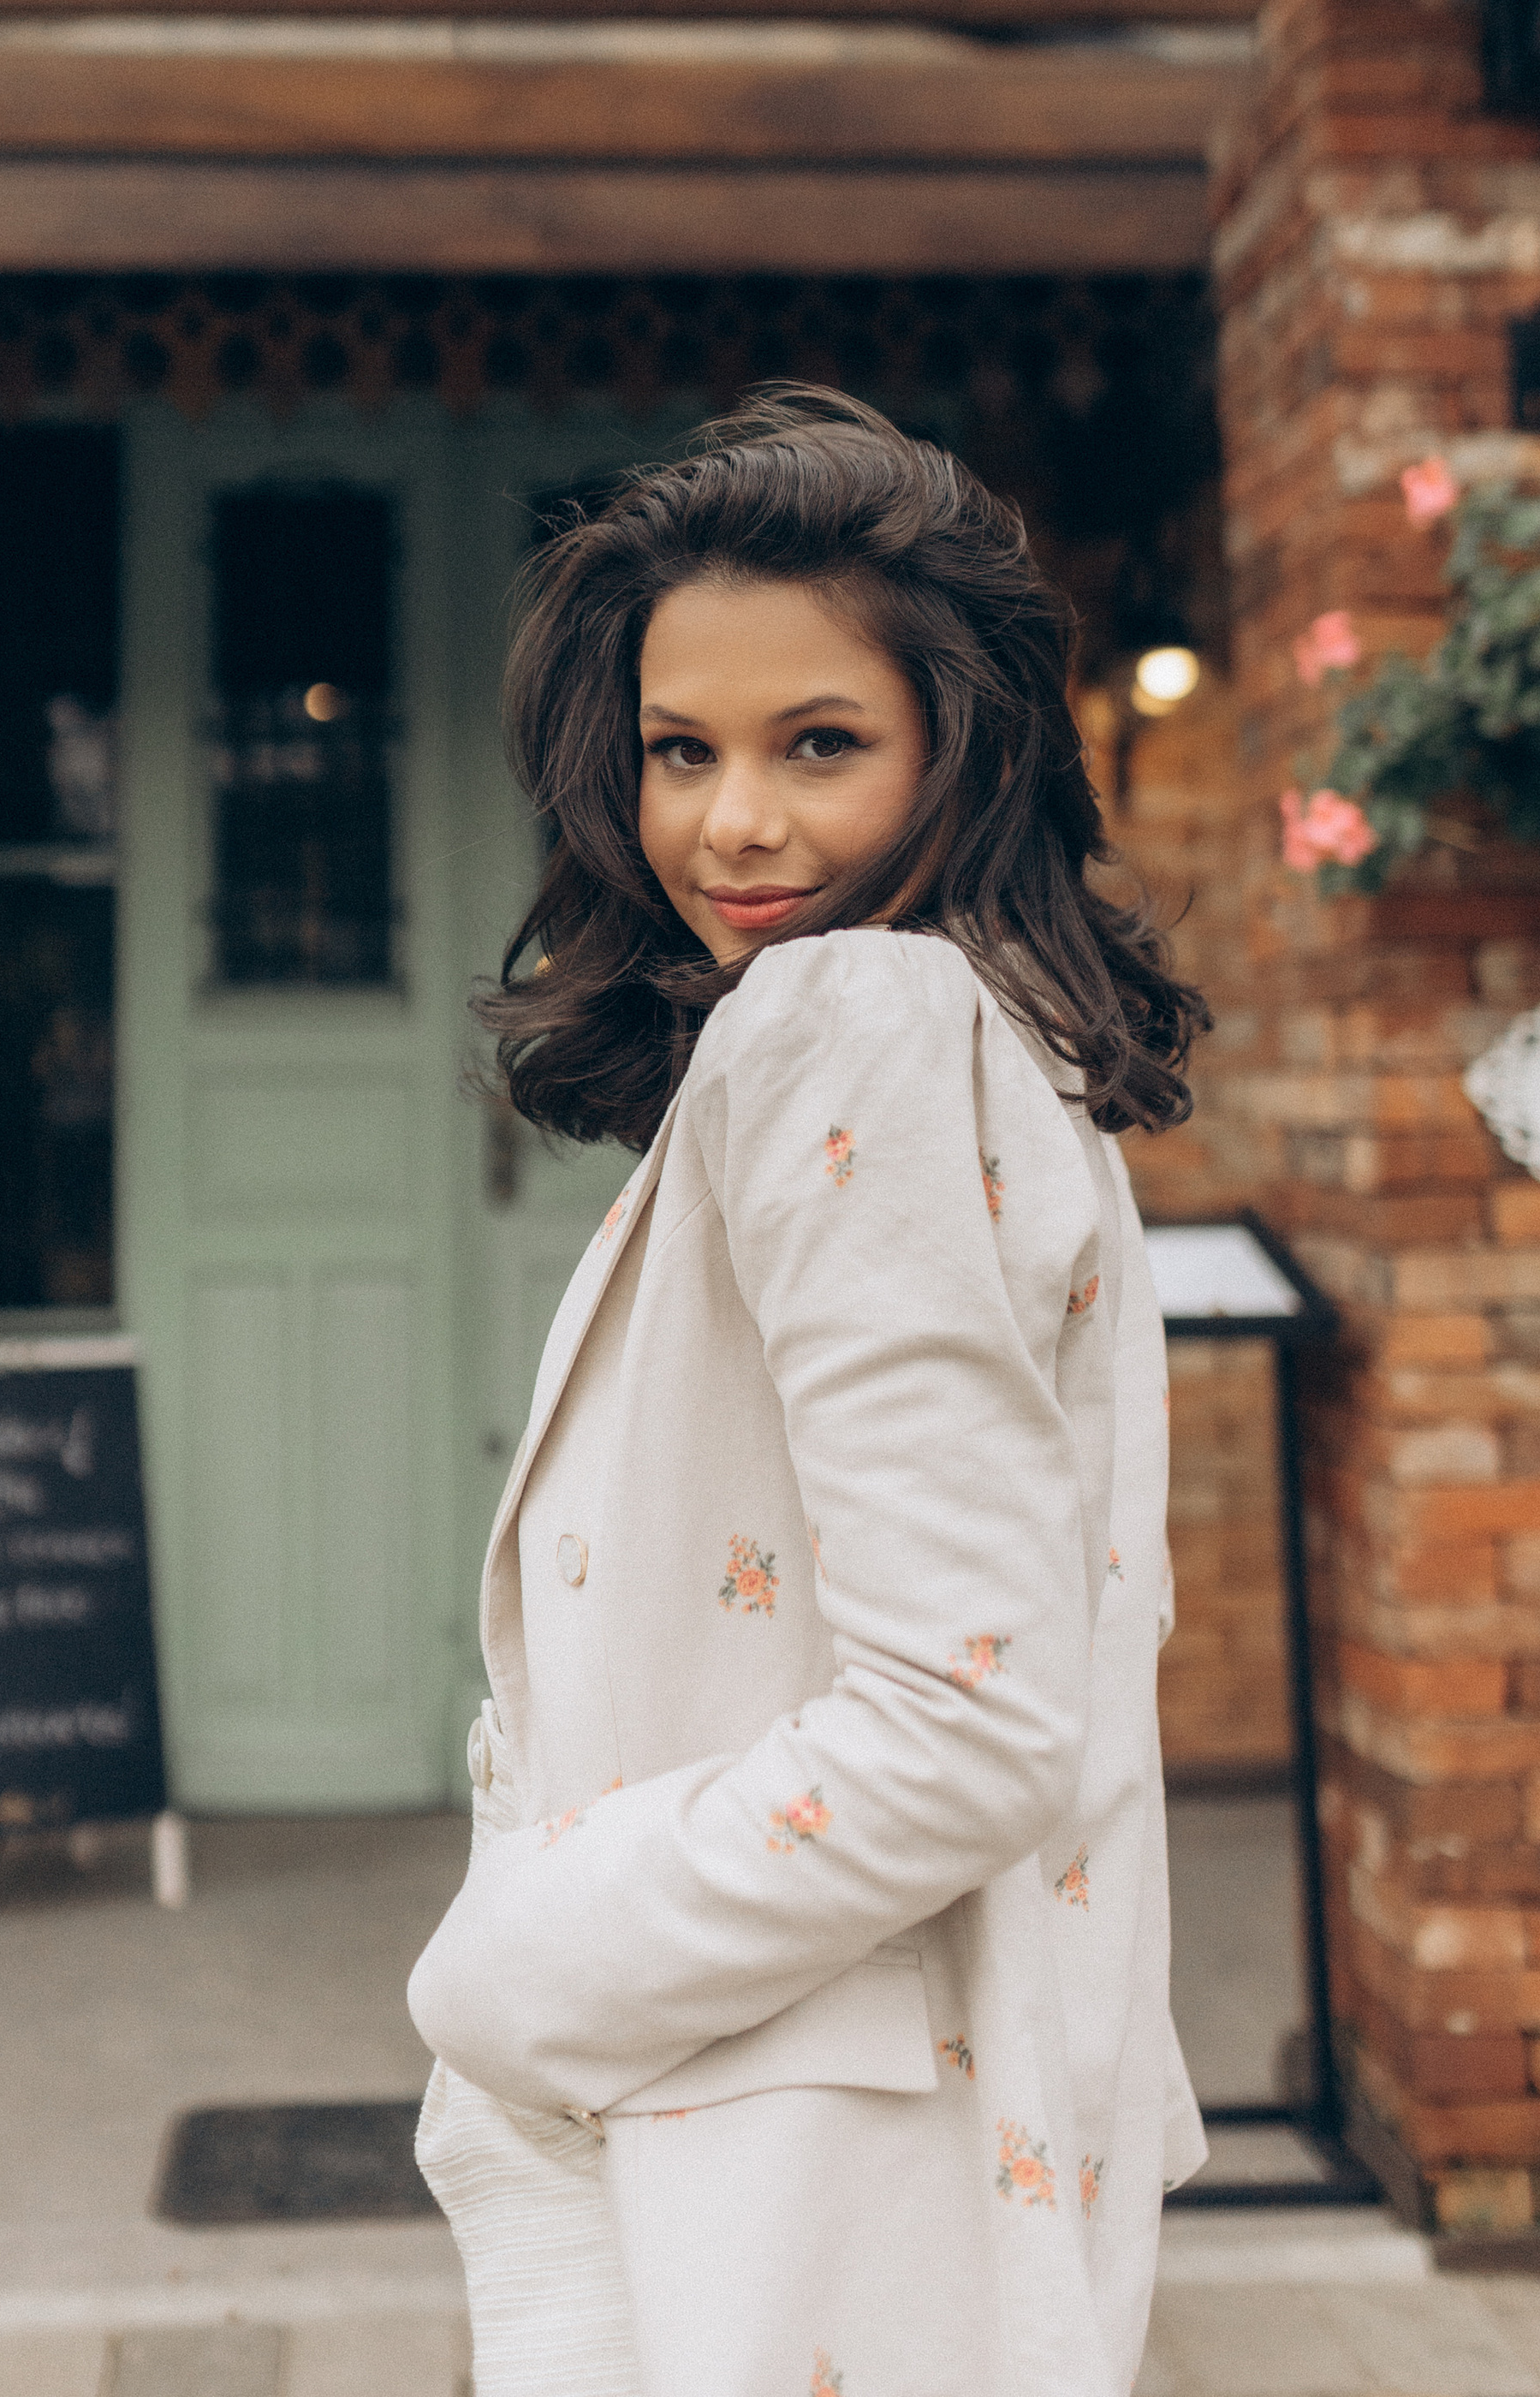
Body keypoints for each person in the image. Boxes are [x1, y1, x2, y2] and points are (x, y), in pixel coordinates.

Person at [410, 386, 1209, 2397]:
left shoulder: (852, 1018)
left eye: (818, 744)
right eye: (680, 750)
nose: (731, 825)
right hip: (881, 2110)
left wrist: (516, 1972)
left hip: (791, 2150)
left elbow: (964, 1716)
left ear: (964, 746)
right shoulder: (980, 1031)